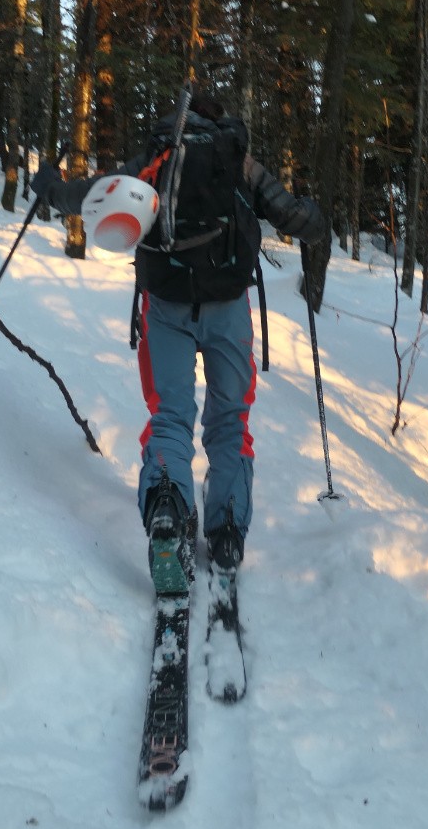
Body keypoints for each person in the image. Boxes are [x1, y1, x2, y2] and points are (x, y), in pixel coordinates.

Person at [33, 91, 324, 595]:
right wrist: (313, 213)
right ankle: (228, 530)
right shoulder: (238, 157)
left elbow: (95, 194)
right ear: (222, 119)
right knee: (231, 419)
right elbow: (296, 219)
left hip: (164, 305)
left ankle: (168, 512)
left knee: (169, 417)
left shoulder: (156, 156)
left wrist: (50, 188)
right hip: (229, 310)